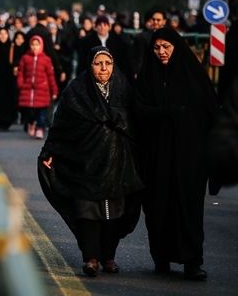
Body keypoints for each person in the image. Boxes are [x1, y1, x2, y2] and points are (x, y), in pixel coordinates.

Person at [38, 46, 143, 277]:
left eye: (108, 63)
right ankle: (91, 258)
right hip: (84, 162)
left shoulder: (123, 87)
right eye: (98, 63)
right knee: (87, 212)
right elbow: (61, 125)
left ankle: (108, 257)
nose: (103, 68)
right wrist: (49, 151)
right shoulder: (76, 90)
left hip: (117, 162)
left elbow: (136, 120)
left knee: (113, 213)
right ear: (90, 65)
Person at [135, 28, 218, 280]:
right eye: (157, 48)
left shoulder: (194, 77)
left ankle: (192, 261)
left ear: (176, 47)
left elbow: (211, 115)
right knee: (158, 207)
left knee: (189, 208)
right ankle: (161, 257)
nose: (161, 52)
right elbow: (137, 111)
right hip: (156, 158)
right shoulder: (147, 78)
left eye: (166, 47)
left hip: (189, 159)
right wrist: (163, 112)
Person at [16, 35, 58, 139]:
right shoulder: (25, 58)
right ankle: (31, 123)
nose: (35, 47)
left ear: (41, 46)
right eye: (33, 44)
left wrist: (54, 90)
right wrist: (20, 83)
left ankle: (40, 128)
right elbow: (21, 72)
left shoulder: (46, 60)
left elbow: (50, 76)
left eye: (37, 44)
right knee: (30, 112)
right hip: (28, 89)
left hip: (42, 90)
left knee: (42, 113)